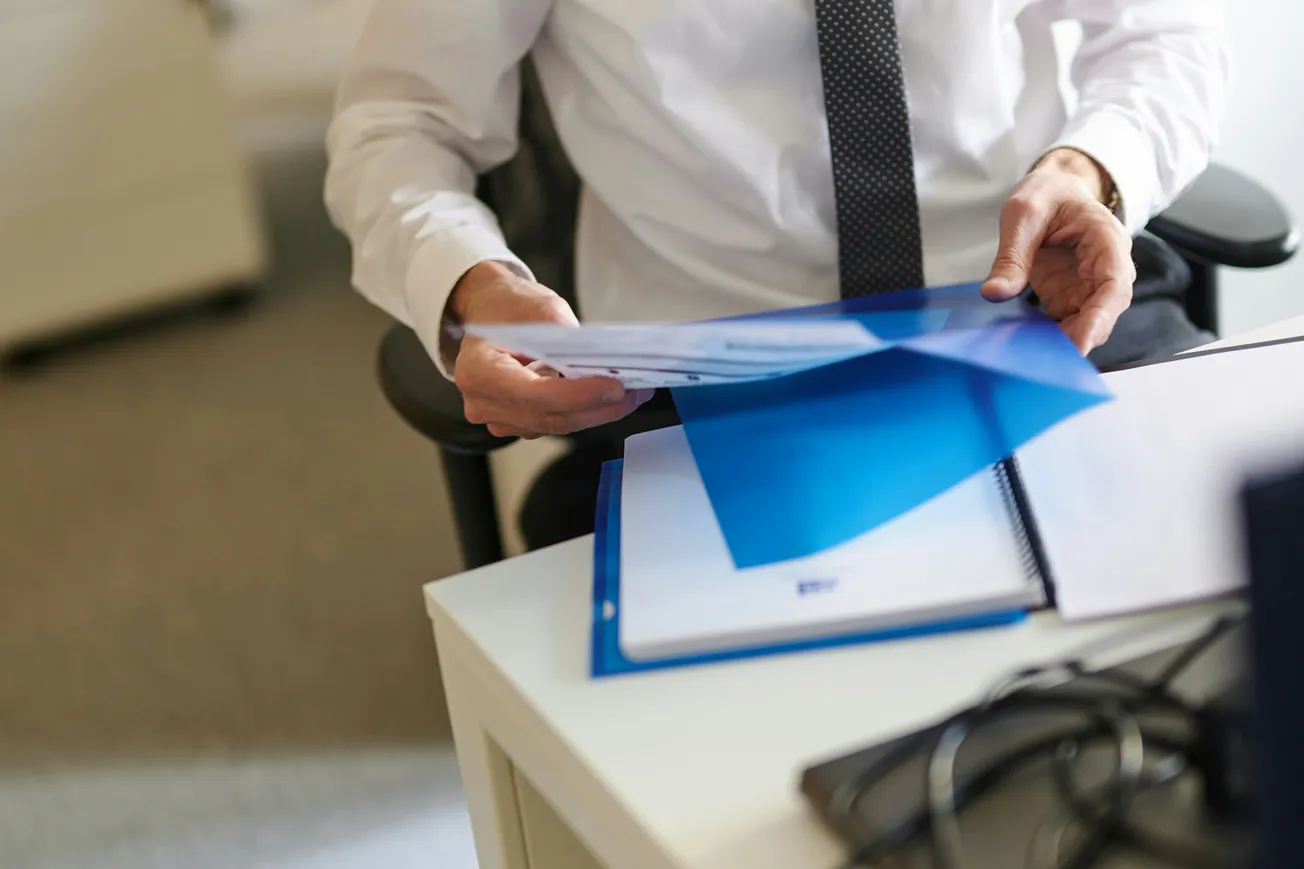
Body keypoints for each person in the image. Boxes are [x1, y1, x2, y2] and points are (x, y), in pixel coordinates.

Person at [325, 0, 1229, 550]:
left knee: (1229, 592)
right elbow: (396, 126)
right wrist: (468, 284)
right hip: (701, 375)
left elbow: (1170, 29)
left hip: (1041, 306)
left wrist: (1094, 168)